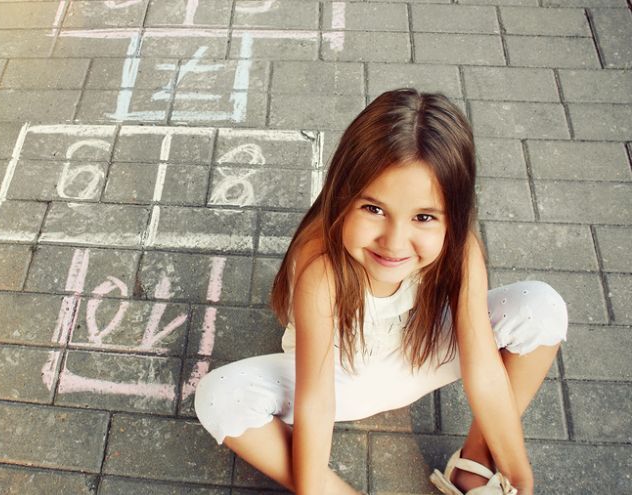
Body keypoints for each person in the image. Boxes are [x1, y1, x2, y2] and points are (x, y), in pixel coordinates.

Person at [194, 89, 567, 495]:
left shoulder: (460, 249)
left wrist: (520, 475)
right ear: (342, 197)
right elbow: (316, 404)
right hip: (343, 380)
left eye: (423, 217)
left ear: (453, 218)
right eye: (373, 209)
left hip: (419, 354)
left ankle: (475, 466)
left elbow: (482, 367)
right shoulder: (322, 268)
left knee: (541, 307)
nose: (394, 241)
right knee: (219, 396)